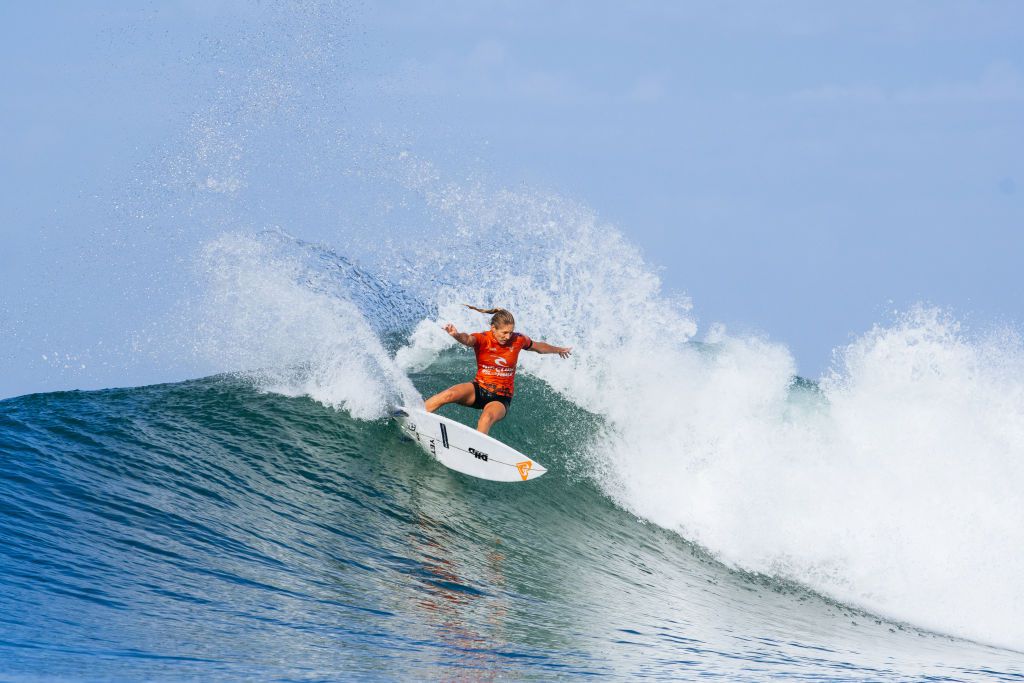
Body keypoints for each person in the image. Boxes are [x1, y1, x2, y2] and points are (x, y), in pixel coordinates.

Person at [424, 305, 572, 434]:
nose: (508, 336)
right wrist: (456, 335)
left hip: (501, 398)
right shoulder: (483, 338)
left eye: (511, 332)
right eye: (504, 332)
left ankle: (477, 450)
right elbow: (468, 339)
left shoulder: (518, 339)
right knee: (449, 394)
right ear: (493, 328)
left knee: (487, 417)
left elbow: (539, 346)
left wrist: (558, 350)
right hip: (479, 389)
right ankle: (415, 416)